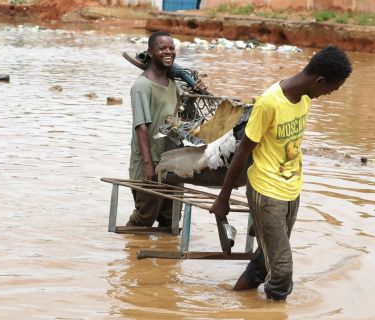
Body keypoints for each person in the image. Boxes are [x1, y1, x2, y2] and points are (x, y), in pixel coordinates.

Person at [209, 46, 352, 301]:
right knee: (282, 270)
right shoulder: (269, 102)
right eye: (330, 88)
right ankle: (274, 310)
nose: (329, 94)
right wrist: (223, 198)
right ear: (318, 80)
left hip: (291, 189)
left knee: (266, 259)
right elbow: (242, 152)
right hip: (266, 192)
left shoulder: (305, 98)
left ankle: (232, 302)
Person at [127, 31, 207, 227]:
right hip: (150, 163)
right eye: (162, 48)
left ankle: (166, 257)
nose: (168, 52)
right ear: (151, 53)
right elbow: (141, 126)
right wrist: (148, 165)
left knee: (170, 220)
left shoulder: (172, 84)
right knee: (144, 218)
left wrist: (195, 92)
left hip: (173, 163)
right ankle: (127, 252)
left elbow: (180, 121)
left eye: (171, 48)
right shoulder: (142, 86)